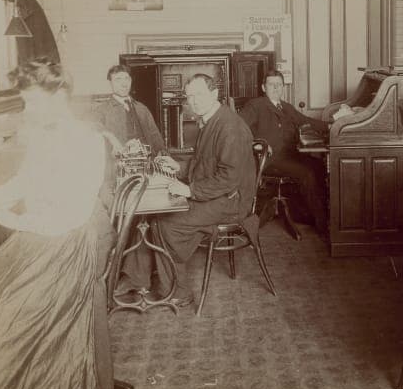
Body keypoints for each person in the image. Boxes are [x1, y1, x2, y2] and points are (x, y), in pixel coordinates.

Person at [0, 58, 115, 389]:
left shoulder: (87, 141)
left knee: (3, 312)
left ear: (59, 96)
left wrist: (8, 219)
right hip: (40, 234)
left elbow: (71, 215)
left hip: (68, 241)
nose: (28, 109)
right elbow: (25, 181)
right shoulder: (40, 135)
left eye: (33, 101)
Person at [151, 74, 257, 307]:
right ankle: (170, 284)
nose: (194, 101)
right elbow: (206, 164)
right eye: (189, 96)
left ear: (214, 93)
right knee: (160, 218)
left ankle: (178, 291)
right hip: (218, 195)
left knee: (167, 223)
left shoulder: (230, 127)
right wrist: (179, 168)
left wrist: (189, 190)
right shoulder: (211, 120)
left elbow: (228, 178)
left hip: (231, 202)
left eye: (199, 94)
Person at [93, 64, 179, 296]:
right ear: (110, 82)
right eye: (119, 79)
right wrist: (111, 138)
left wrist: (164, 157)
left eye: (127, 79)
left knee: (150, 213)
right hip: (113, 177)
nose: (124, 83)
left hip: (143, 172)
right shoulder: (102, 109)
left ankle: (141, 275)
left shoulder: (141, 108)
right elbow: (92, 128)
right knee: (126, 216)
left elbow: (155, 137)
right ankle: (130, 275)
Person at [239, 70, 331, 236]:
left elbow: (306, 121)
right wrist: (258, 145)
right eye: (271, 85)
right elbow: (238, 128)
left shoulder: (286, 107)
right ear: (263, 87)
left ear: (283, 87)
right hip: (268, 160)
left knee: (319, 166)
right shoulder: (256, 105)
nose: (276, 88)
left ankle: (313, 214)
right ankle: (323, 226)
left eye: (279, 85)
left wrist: (332, 125)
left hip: (288, 156)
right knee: (307, 173)